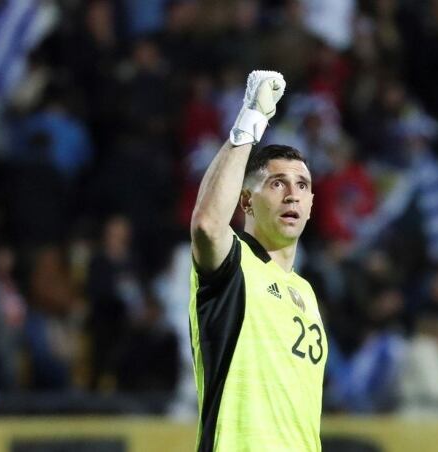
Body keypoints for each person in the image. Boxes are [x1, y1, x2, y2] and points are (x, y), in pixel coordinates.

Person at [188, 71, 327, 451]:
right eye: (277, 183)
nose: (293, 195)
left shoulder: (307, 293)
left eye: (303, 186)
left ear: (312, 205)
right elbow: (206, 222)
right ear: (246, 201)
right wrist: (250, 119)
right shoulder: (234, 266)